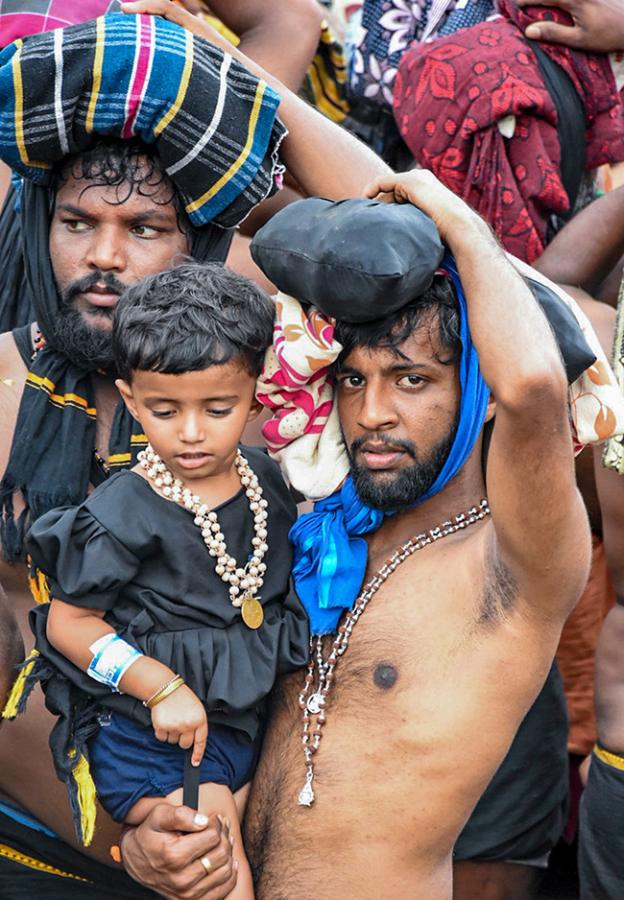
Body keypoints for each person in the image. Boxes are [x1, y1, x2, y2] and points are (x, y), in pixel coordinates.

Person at [0, 11, 390, 898]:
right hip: (41, 843)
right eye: (75, 221)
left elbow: (413, 242)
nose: (102, 257)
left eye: (144, 229)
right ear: (38, 225)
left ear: (205, 243)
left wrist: (240, 84)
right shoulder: (4, 390)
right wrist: (121, 840)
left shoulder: (273, 396)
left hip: (250, 840)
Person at [238, 169, 593, 899]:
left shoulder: (513, 569)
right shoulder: (318, 531)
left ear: (478, 393)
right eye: (353, 380)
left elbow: (534, 386)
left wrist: (452, 217)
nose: (372, 414)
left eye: (411, 381)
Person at [17, 263, 308, 897]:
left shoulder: (273, 484)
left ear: (258, 395)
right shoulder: (125, 511)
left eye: (218, 407)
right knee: (217, 866)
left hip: (244, 728)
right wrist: (158, 687)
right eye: (165, 409)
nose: (193, 431)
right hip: (154, 737)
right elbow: (68, 623)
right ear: (129, 397)